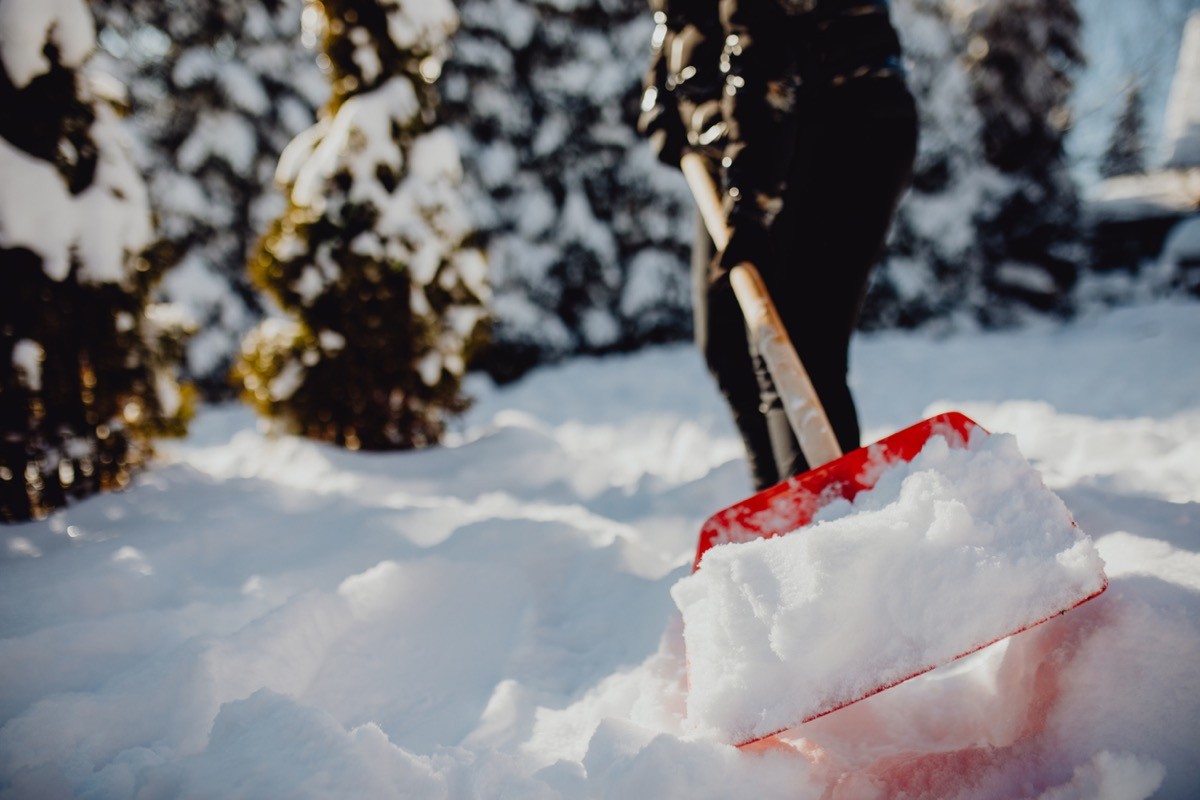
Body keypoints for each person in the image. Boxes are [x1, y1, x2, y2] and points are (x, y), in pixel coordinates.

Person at [639, 0, 918, 491]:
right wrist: (665, 91)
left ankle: (830, 523)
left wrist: (752, 202)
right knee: (727, 343)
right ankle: (780, 510)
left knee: (795, 342)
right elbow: (680, 18)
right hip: (744, 142)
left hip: (839, 113)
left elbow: (761, 46)